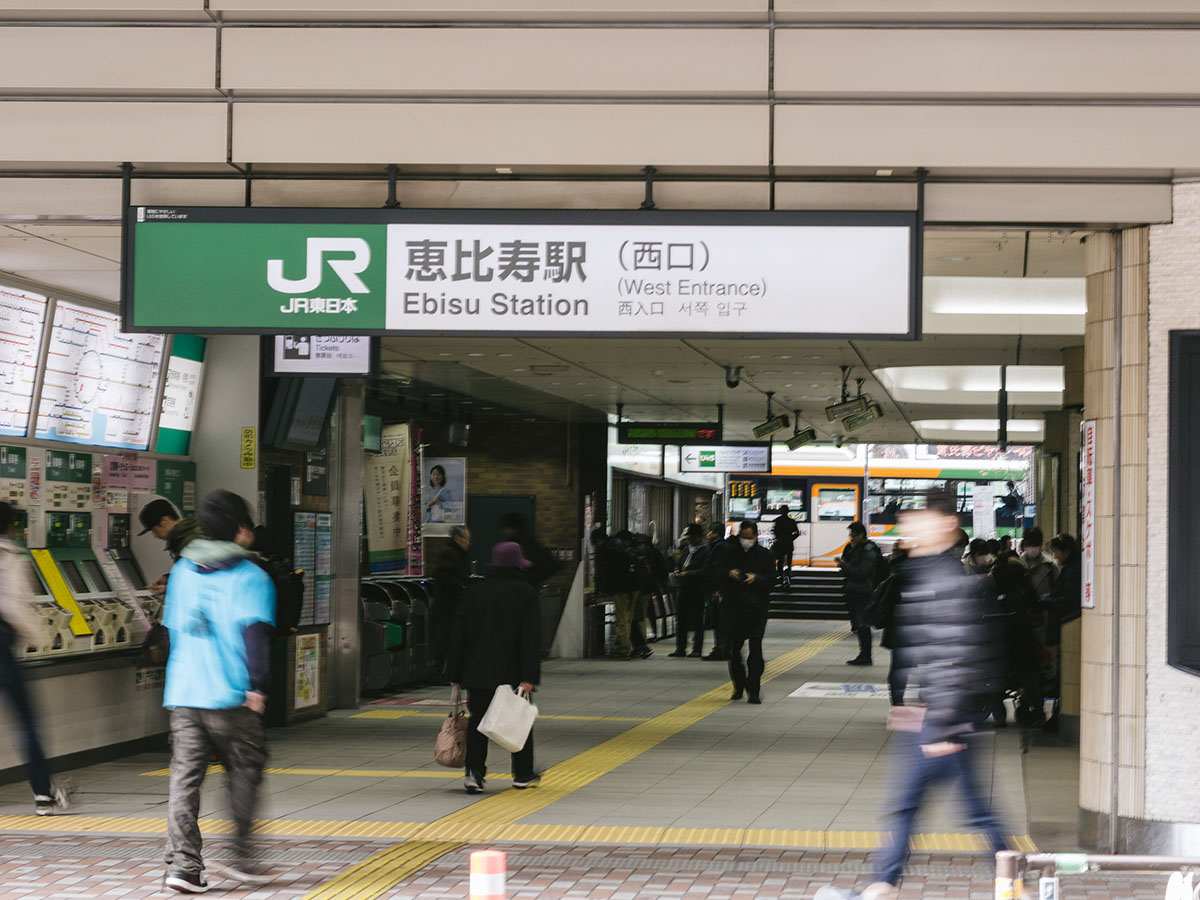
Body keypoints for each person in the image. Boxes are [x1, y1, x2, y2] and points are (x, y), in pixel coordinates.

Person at [816, 489, 1009, 900]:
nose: (908, 529)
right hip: (937, 717)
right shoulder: (926, 571)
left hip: (944, 722)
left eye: (918, 521)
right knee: (923, 808)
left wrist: (941, 723)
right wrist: (916, 706)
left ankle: (1017, 884)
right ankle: (882, 884)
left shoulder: (945, 579)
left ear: (946, 526)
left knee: (969, 812)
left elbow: (957, 652)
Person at [162, 490, 275, 893]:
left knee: (184, 780)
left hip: (185, 692)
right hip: (232, 697)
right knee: (244, 771)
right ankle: (243, 859)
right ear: (242, 530)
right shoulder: (252, 577)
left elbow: (172, 630)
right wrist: (256, 688)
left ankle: (184, 867)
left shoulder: (181, 572)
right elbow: (255, 637)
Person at [447, 541, 541, 795]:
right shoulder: (526, 592)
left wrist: (455, 673)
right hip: (512, 672)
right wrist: (529, 676)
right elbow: (530, 639)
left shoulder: (474, 592)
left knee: (479, 722)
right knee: (518, 720)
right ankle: (522, 774)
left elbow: (459, 635)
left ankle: (474, 774)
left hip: (477, 671)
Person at [0, 502, 71, 817]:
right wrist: (39, 636)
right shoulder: (11, 556)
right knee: (26, 724)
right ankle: (43, 795)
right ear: (10, 527)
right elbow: (15, 606)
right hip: (3, 648)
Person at [720, 521, 774, 703]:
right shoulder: (729, 553)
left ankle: (754, 689)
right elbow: (715, 572)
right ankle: (738, 686)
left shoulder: (765, 555)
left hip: (757, 609)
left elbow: (771, 581)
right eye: (743, 537)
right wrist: (728, 573)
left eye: (749, 538)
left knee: (755, 651)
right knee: (734, 651)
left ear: (756, 536)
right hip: (734, 608)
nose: (746, 541)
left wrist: (756, 578)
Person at [837, 521, 884, 666]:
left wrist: (844, 565)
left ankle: (866, 656)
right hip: (855, 590)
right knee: (859, 625)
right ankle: (863, 654)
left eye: (853, 535)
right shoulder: (856, 548)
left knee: (863, 625)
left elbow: (862, 573)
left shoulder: (867, 551)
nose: (851, 538)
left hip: (862, 591)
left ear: (861, 534)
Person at [591, 529, 642, 660]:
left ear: (598, 540)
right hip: (635, 585)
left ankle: (624, 650)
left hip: (622, 588)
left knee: (621, 619)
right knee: (628, 618)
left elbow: (607, 572)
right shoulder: (619, 544)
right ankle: (625, 646)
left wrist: (602, 588)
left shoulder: (607, 549)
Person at [430, 526, 472, 680]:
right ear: (458, 539)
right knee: (444, 640)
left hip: (450, 605)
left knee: (449, 640)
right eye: (466, 539)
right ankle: (437, 672)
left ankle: (445, 671)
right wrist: (461, 587)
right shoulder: (450, 553)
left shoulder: (456, 553)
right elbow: (441, 575)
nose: (468, 543)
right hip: (446, 606)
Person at [139, 499, 203, 595]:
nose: (155, 536)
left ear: (165, 521)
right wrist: (169, 578)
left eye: (154, 530)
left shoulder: (192, 541)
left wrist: (169, 589)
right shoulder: (185, 536)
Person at [669, 524, 709, 658]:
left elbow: (705, 571)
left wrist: (689, 574)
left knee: (697, 620)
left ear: (699, 537)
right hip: (683, 589)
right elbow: (679, 564)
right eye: (689, 537)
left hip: (697, 590)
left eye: (692, 537)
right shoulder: (686, 550)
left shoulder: (705, 551)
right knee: (681, 619)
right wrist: (677, 571)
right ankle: (680, 648)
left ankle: (697, 649)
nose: (690, 540)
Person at [500, 513, 559, 588]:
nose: (505, 531)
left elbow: (550, 565)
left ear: (511, 527)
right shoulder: (527, 541)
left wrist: (526, 579)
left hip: (519, 587)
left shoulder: (519, 542)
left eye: (506, 527)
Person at [702, 523, 731, 661]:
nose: (708, 535)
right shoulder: (723, 546)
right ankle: (723, 648)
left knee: (719, 621)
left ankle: (721, 649)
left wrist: (715, 589)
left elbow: (716, 570)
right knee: (721, 621)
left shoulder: (719, 547)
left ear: (716, 533)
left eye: (710, 532)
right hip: (722, 589)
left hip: (718, 590)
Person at [1018, 527, 1058, 600]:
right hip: (1022, 608)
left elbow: (1056, 591)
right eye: (1029, 544)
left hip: (1044, 607)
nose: (1032, 548)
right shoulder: (1018, 563)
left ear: (1040, 544)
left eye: (1035, 544)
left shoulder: (1050, 564)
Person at [771, 506, 800, 586]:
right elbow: (797, 533)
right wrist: (791, 539)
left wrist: (778, 538)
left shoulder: (778, 520)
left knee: (780, 561)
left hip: (780, 544)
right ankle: (788, 576)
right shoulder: (791, 521)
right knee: (789, 562)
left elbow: (774, 531)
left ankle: (780, 577)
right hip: (789, 544)